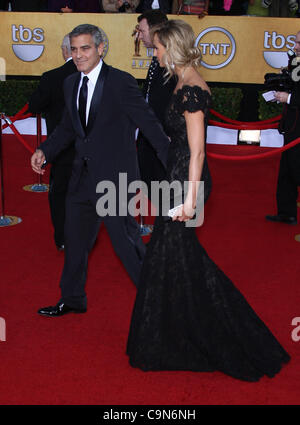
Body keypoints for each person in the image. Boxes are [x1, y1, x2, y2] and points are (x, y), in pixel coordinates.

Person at [127, 19, 290, 381]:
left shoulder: (191, 91)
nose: (155, 53)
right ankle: (176, 330)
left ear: (173, 47)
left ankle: (221, 332)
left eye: (158, 48)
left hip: (188, 183)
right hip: (178, 177)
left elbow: (198, 153)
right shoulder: (183, 81)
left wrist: (189, 201)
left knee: (178, 258)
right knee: (173, 258)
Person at [31, 24, 170, 317]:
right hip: (81, 178)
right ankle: (72, 299)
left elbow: (149, 125)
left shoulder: (121, 82)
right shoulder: (71, 83)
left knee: (127, 245)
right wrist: (46, 150)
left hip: (115, 181)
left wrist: (175, 164)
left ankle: (158, 305)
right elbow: (69, 127)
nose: (78, 55)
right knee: (75, 241)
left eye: (85, 49)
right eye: (73, 49)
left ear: (100, 48)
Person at [28, 34, 77, 251]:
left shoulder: (51, 77)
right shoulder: (95, 76)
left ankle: (63, 238)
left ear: (64, 50)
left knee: (60, 194)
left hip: (60, 148)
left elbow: (34, 106)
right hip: (90, 147)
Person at [136, 10, 176, 218]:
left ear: (155, 29)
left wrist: (168, 132)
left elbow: (173, 101)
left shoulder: (172, 62)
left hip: (163, 137)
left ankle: (167, 228)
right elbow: (150, 94)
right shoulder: (157, 58)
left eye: (142, 30)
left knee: (163, 185)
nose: (139, 35)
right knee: (147, 179)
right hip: (148, 133)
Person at [266, 31, 300, 225]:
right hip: (292, 125)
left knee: (296, 168)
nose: (295, 46)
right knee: (286, 169)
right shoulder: (296, 61)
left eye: (299, 42)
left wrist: (288, 98)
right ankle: (286, 213)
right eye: (295, 42)